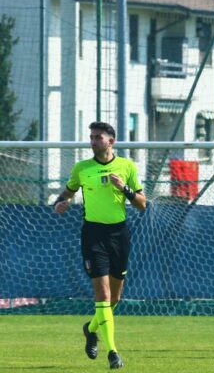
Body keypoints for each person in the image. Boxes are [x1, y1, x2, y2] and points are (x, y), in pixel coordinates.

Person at [54, 122, 146, 369]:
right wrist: (59, 203)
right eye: (91, 137)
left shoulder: (126, 166)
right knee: (102, 295)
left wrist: (124, 188)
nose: (93, 141)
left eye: (98, 137)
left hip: (119, 234)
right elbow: (66, 193)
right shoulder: (82, 168)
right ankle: (113, 353)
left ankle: (91, 328)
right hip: (93, 235)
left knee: (114, 298)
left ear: (111, 141)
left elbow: (142, 204)